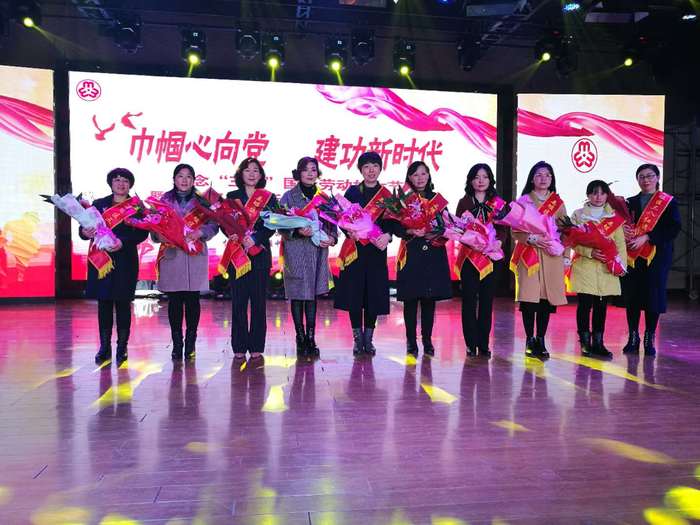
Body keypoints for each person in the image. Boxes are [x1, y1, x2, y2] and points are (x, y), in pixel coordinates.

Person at [80, 168, 148, 365]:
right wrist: (85, 232)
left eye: (125, 180)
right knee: (104, 304)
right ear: (111, 183)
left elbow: (142, 233)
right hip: (102, 260)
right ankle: (104, 347)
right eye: (117, 180)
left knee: (123, 304)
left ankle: (122, 347)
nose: (120, 183)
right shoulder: (99, 204)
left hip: (125, 260)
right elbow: (84, 228)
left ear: (130, 184)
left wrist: (123, 242)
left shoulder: (136, 206)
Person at [153, 163, 219, 361]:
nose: (184, 180)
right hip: (172, 254)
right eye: (180, 176)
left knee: (192, 300)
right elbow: (154, 226)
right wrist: (160, 235)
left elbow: (214, 225)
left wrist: (201, 232)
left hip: (194, 253)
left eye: (188, 176)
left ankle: (190, 343)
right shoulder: (164, 200)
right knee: (174, 300)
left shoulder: (203, 200)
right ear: (174, 179)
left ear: (193, 180)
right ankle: (177, 343)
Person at [333, 151, 395, 356]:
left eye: (375, 166)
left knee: (373, 295)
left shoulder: (386, 195)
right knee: (355, 294)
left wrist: (388, 235)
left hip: (376, 250)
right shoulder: (352, 192)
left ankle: (369, 339)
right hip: (355, 250)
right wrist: (348, 231)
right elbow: (342, 218)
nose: (371, 170)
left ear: (380, 168)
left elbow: (393, 222)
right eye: (366, 166)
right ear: (361, 170)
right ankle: (357, 339)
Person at [279, 157, 338, 357]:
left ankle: (311, 338)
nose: (310, 173)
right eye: (305, 170)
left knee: (312, 295)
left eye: (313, 169)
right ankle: (300, 337)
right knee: (298, 295)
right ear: (299, 173)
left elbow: (333, 224)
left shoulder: (324, 198)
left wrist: (332, 238)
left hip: (317, 251)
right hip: (296, 250)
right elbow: (280, 225)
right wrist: (297, 231)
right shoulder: (288, 196)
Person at [622, 164, 681, 356]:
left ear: (657, 178)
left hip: (657, 256)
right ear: (637, 180)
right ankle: (633, 337)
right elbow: (621, 225)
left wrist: (648, 237)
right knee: (632, 296)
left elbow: (673, 228)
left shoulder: (668, 202)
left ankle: (649, 338)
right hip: (633, 256)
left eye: (649, 176)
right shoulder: (629, 202)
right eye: (641, 177)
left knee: (653, 297)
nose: (646, 180)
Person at [510, 161, 567, 359]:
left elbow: (566, 231)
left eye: (547, 175)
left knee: (545, 300)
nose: (544, 178)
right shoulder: (523, 201)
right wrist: (530, 238)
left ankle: (541, 339)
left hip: (551, 256)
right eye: (539, 175)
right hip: (530, 255)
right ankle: (529, 340)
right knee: (529, 299)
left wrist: (566, 255)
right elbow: (515, 230)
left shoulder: (557, 203)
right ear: (532, 179)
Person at [395, 161, 452, 357]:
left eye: (423, 173)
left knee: (429, 300)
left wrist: (434, 232)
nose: (420, 178)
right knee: (410, 299)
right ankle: (411, 342)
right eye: (415, 174)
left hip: (433, 253)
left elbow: (447, 225)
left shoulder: (437, 200)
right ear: (409, 177)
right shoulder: (403, 200)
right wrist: (410, 230)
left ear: (428, 176)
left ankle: (427, 340)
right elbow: (394, 226)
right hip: (411, 252)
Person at [226, 157, 278, 360]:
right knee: (238, 302)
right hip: (237, 253)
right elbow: (224, 222)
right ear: (241, 174)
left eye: (256, 170)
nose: (251, 174)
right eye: (247, 170)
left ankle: (257, 344)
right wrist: (235, 235)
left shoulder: (269, 198)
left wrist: (255, 239)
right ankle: (239, 345)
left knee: (258, 303)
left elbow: (273, 224)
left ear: (261, 175)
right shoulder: (232, 197)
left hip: (260, 254)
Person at [569, 180, 627, 359]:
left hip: (606, 268)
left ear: (607, 195)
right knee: (584, 306)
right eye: (594, 193)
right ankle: (585, 342)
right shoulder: (578, 215)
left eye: (602, 193)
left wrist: (621, 266)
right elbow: (571, 240)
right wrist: (590, 252)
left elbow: (620, 244)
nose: (598, 197)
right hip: (585, 267)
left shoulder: (614, 217)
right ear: (588, 195)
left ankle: (599, 343)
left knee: (601, 307)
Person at [455, 163, 507, 358]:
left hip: (491, 256)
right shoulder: (464, 203)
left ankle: (483, 344)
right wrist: (472, 242)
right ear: (470, 181)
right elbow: (459, 228)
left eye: (485, 177)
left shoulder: (497, 203)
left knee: (487, 301)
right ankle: (470, 344)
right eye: (477, 177)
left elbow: (503, 228)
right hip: (470, 257)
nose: (481, 181)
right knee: (469, 301)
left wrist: (499, 242)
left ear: (490, 180)